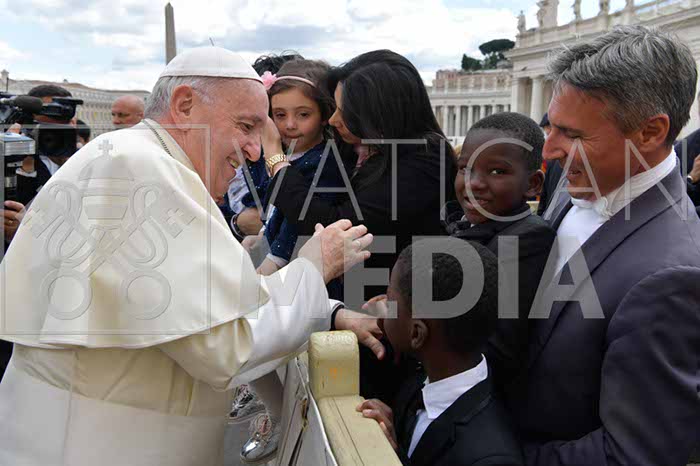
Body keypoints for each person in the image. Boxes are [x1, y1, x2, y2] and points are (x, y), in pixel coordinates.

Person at [0, 46, 373, 466]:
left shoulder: (132, 157)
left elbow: (215, 304)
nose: (256, 151)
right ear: (184, 105)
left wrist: (330, 308)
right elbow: (225, 346)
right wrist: (314, 266)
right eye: (246, 126)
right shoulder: (142, 168)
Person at [514, 26, 700, 466]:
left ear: (650, 132)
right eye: (551, 127)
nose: (549, 151)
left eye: (572, 134)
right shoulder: (579, 181)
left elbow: (630, 454)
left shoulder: (672, 276)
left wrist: (487, 455)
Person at [262, 50, 457, 403]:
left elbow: (334, 220)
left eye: (344, 110)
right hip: (355, 310)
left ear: (378, 111)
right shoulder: (368, 148)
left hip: (389, 326)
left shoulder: (425, 158)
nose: (333, 120)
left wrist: (275, 158)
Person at [235, 58, 346, 464]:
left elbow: (298, 214)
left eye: (303, 114)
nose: (290, 124)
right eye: (279, 115)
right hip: (285, 253)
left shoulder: (325, 158)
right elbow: (268, 199)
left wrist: (274, 257)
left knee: (253, 328)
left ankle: (281, 416)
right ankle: (275, 411)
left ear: (323, 113)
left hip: (304, 259)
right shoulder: (290, 152)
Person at [357, 239, 524, 466]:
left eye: (391, 302)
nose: (382, 305)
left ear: (417, 334)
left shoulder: (490, 459)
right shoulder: (422, 378)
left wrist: (392, 458)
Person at [443, 112, 556, 392]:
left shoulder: (526, 239)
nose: (474, 183)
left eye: (497, 172)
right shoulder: (467, 225)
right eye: (464, 168)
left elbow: (496, 348)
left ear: (533, 184)